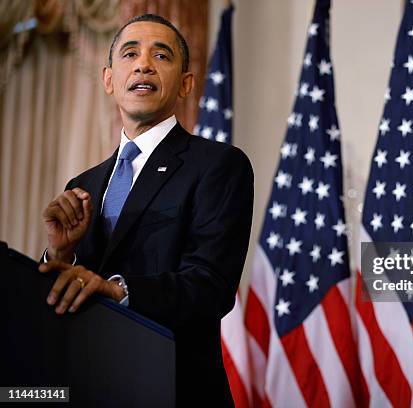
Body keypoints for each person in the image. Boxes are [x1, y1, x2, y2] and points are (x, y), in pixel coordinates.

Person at [38, 14, 253, 406]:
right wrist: (60, 254)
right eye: (130, 53)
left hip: (174, 388)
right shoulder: (81, 186)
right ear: (108, 79)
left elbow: (210, 286)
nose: (143, 64)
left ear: (186, 84)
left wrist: (119, 290)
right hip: (90, 386)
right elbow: (61, 298)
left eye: (162, 55)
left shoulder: (218, 165)